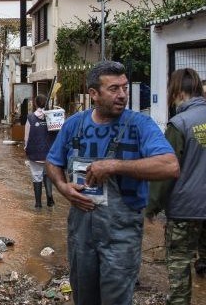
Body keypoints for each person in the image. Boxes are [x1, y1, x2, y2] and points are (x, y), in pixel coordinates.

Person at [45, 60, 179, 305]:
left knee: (116, 299)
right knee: (84, 297)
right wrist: (63, 188)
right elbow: (52, 162)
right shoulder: (75, 124)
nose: (122, 95)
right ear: (94, 94)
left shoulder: (140, 125)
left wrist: (115, 165)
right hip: (81, 232)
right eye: (114, 89)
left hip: (121, 233)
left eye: (124, 88)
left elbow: (170, 165)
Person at [145, 68, 206, 305]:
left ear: (178, 91)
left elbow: (166, 171)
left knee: (180, 263)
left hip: (185, 209)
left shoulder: (179, 124)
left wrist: (150, 207)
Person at [24, 94, 56, 209]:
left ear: (36, 104)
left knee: (37, 176)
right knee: (48, 175)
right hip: (50, 153)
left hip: (35, 152)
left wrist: (26, 149)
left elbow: (27, 137)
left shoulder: (30, 118)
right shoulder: (52, 117)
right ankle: (50, 200)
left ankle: (38, 204)